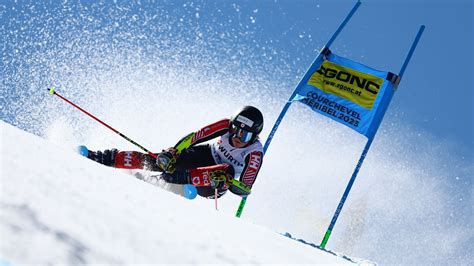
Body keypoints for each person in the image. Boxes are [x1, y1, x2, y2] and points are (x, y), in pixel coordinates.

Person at [85, 106, 264, 199]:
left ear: (254, 136)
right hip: (204, 156)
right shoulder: (225, 125)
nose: (237, 136)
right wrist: (173, 152)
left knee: (225, 171)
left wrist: (230, 183)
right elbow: (196, 137)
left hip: (212, 185)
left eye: (245, 134)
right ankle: (103, 157)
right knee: (165, 159)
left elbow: (245, 189)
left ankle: (163, 181)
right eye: (235, 129)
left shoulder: (254, 154)